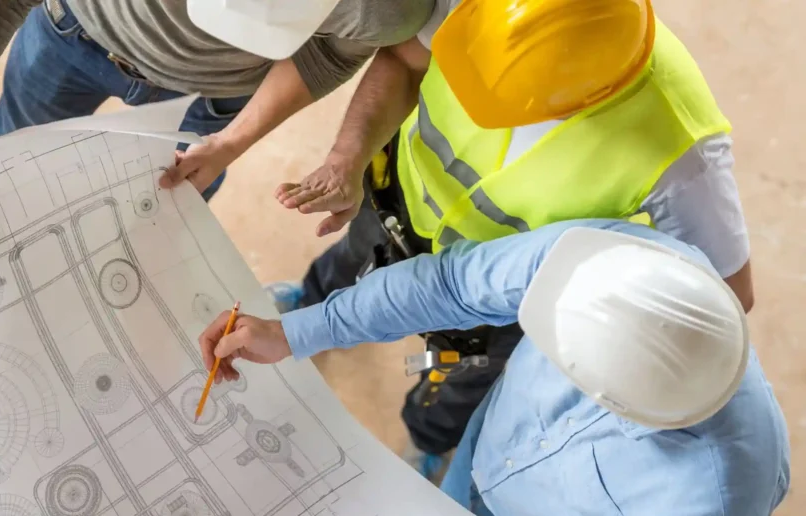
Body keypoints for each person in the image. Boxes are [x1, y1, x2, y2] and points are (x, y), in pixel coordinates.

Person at [265, 0, 756, 480]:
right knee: (351, 261)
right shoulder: (484, 9)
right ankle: (309, 300)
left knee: (455, 378)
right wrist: (347, 158)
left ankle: (427, 441)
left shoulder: (683, 156)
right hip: (395, 205)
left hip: (492, 306)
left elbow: (726, 297)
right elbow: (402, 59)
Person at [199, 219, 790, 516]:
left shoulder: (709, 511)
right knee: (454, 498)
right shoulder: (618, 262)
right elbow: (450, 286)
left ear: (617, 406)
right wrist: (302, 331)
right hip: (481, 453)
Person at [0, 0, 433, 203]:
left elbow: (326, 55)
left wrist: (232, 142)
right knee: (5, 162)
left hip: (217, 94)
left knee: (164, 209)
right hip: (75, 34)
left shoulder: (390, 5)